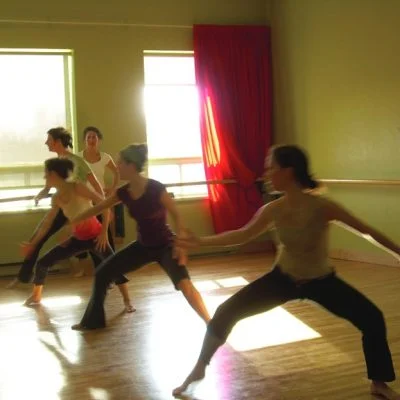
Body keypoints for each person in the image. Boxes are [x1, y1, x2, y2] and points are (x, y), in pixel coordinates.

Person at [172, 145, 400, 400]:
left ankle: (378, 383)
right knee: (226, 312)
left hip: (320, 281)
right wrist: (200, 242)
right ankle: (200, 367)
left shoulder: (322, 207)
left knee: (372, 318)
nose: (266, 173)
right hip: (283, 279)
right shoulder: (274, 209)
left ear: (288, 171)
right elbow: (241, 235)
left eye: (272, 168)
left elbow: (366, 230)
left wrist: (398, 252)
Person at [69, 143, 211, 330]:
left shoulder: (155, 188)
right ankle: (93, 321)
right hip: (143, 247)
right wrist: (74, 220)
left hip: (165, 245)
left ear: (132, 166)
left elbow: (176, 214)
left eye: (120, 163)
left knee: (185, 285)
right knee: (103, 272)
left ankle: (212, 324)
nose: (117, 167)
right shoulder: (124, 192)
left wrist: (180, 245)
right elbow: (99, 207)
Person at [21, 158, 134, 311]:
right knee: (42, 263)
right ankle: (36, 296)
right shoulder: (57, 198)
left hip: (96, 237)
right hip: (77, 238)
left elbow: (105, 205)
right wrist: (33, 244)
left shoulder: (78, 187)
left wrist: (103, 234)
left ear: (54, 174)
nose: (44, 178)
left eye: (46, 174)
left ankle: (127, 301)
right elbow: (47, 223)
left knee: (114, 268)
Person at [7, 127, 103, 288]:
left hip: (79, 209)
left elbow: (95, 184)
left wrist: (104, 203)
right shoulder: (56, 163)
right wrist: (41, 194)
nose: (46, 143)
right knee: (37, 238)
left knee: (95, 242)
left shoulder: (77, 161)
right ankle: (23, 278)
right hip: (62, 207)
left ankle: (108, 275)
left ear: (58, 142)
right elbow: (48, 186)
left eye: (49, 140)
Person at [74, 126, 120, 277]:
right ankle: (86, 268)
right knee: (82, 233)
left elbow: (117, 172)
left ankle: (110, 269)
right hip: (83, 202)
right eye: (89, 137)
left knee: (103, 233)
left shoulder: (105, 157)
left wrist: (112, 190)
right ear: (84, 141)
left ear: (99, 140)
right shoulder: (78, 158)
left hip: (100, 201)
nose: (92, 140)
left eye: (94, 137)